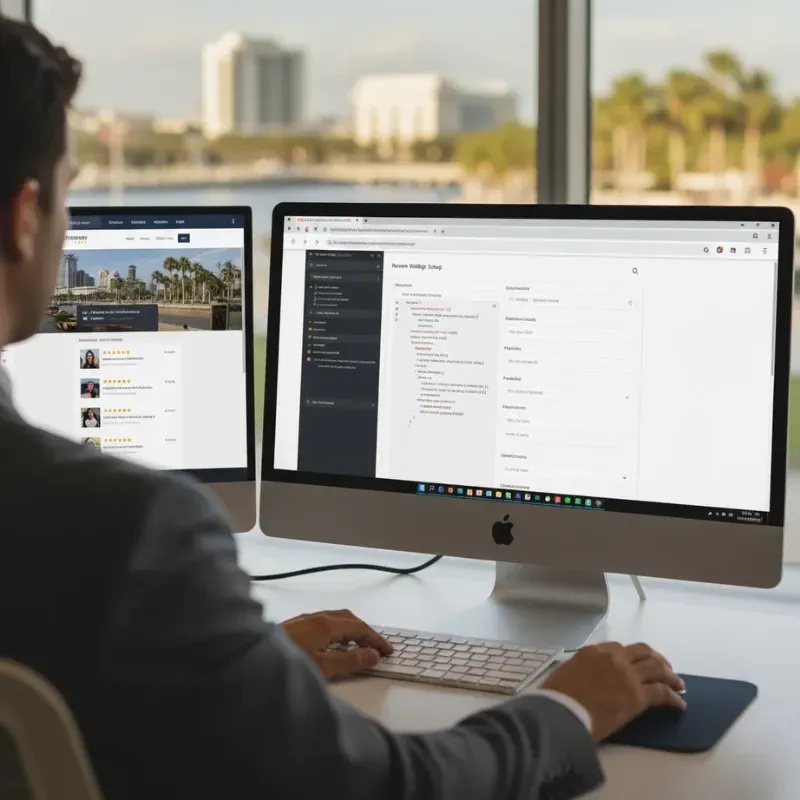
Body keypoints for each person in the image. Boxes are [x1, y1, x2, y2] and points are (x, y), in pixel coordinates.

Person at [0, 16, 686, 800]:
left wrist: (234, 668)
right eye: (68, 197)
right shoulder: (132, 533)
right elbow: (388, 788)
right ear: (24, 218)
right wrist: (567, 708)